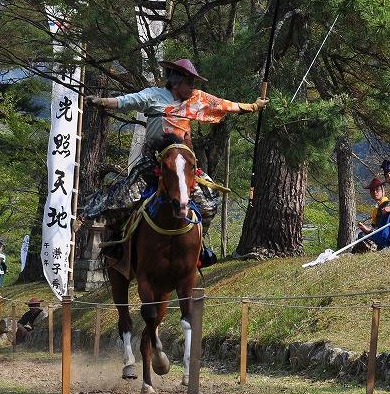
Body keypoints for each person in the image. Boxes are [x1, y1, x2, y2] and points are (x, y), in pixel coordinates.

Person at [83, 58, 268, 254]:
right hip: (154, 160)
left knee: (208, 203)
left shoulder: (196, 99)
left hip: (184, 163)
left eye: (192, 83)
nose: (192, 87)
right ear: (175, 82)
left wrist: (253, 106)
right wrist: (102, 101)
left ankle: (198, 246)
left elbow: (224, 105)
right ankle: (119, 244)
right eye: (189, 82)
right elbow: (127, 101)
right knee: (123, 198)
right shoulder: (153, 96)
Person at [353, 177, 390, 252]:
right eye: (372, 190)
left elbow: (383, 227)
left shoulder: (388, 205)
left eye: (377, 189)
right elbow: (375, 226)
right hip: (377, 235)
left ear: (384, 191)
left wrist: (368, 231)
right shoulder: (376, 209)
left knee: (362, 236)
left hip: (385, 237)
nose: (375, 192)